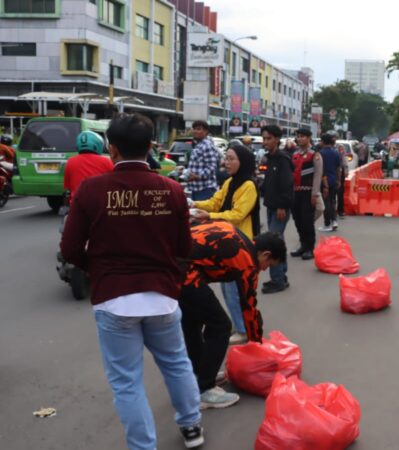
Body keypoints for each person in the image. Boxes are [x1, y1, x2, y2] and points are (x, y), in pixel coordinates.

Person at [60, 113, 204, 449]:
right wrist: (170, 277)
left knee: (127, 382)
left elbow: (69, 249)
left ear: (111, 149)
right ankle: (192, 427)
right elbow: (185, 249)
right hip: (163, 297)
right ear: (152, 146)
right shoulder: (171, 189)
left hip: (114, 300)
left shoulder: (91, 190)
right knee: (176, 363)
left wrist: (98, 271)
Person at [179, 223, 286, 409]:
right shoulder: (247, 261)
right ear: (266, 254)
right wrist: (257, 346)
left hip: (169, 261)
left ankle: (199, 373)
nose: (264, 269)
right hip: (182, 272)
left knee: (192, 319)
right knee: (220, 325)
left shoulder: (239, 237)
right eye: (268, 265)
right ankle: (205, 389)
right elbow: (249, 307)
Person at [191, 143, 261, 344]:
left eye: (231, 158)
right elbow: (215, 201)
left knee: (234, 290)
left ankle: (242, 329)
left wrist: (209, 216)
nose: (226, 162)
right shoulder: (230, 182)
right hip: (228, 242)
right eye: (226, 158)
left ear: (243, 161)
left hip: (241, 244)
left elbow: (237, 215)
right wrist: (195, 204)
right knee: (229, 289)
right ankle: (240, 326)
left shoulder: (248, 185)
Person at [259, 125, 294, 294]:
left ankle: (278, 280)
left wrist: (282, 206)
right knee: (278, 242)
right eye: (264, 138)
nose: (265, 142)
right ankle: (282, 277)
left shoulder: (282, 159)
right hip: (271, 205)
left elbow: (287, 185)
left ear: (277, 139)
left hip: (280, 207)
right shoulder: (269, 158)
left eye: (269, 138)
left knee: (272, 244)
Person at [289, 128, 322, 260]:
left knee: (307, 221)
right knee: (298, 220)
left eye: (303, 136)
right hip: (296, 192)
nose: (300, 139)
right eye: (298, 136)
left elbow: (318, 175)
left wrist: (315, 194)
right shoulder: (295, 154)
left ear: (309, 138)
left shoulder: (315, 155)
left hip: (308, 192)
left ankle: (310, 248)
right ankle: (302, 245)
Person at [63, 130, 114, 200]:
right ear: (98, 145)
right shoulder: (107, 162)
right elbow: (113, 184)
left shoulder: (70, 161)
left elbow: (68, 187)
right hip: (99, 205)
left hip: (77, 205)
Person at [186, 120, 220, 201]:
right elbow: (198, 166)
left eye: (198, 129)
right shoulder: (199, 145)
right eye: (194, 129)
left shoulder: (207, 146)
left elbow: (212, 167)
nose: (195, 131)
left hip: (205, 189)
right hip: (196, 189)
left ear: (205, 131)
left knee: (202, 213)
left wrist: (198, 176)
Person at [318, 134, 341, 232]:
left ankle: (327, 223)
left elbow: (320, 169)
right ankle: (334, 221)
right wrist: (339, 180)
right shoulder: (336, 153)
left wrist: (324, 183)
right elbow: (338, 168)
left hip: (324, 180)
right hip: (334, 180)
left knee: (326, 203)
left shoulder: (320, 153)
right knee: (332, 201)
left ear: (323, 142)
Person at [336, 143, 349, 217]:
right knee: (337, 192)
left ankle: (340, 210)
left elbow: (345, 164)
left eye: (342, 149)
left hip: (341, 174)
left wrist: (346, 171)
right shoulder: (336, 155)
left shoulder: (343, 155)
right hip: (337, 174)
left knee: (340, 193)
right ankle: (338, 210)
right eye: (340, 149)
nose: (342, 150)